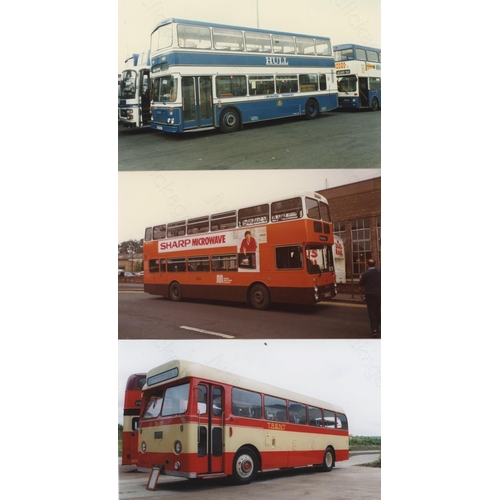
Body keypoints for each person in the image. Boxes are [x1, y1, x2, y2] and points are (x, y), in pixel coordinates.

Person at [359, 259, 381, 337]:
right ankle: (377, 326)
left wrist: (361, 278)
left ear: (367, 265)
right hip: (378, 294)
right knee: (377, 310)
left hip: (369, 294)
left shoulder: (365, 273)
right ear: (375, 264)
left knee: (371, 312)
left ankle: (374, 330)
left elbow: (361, 284)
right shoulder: (379, 272)